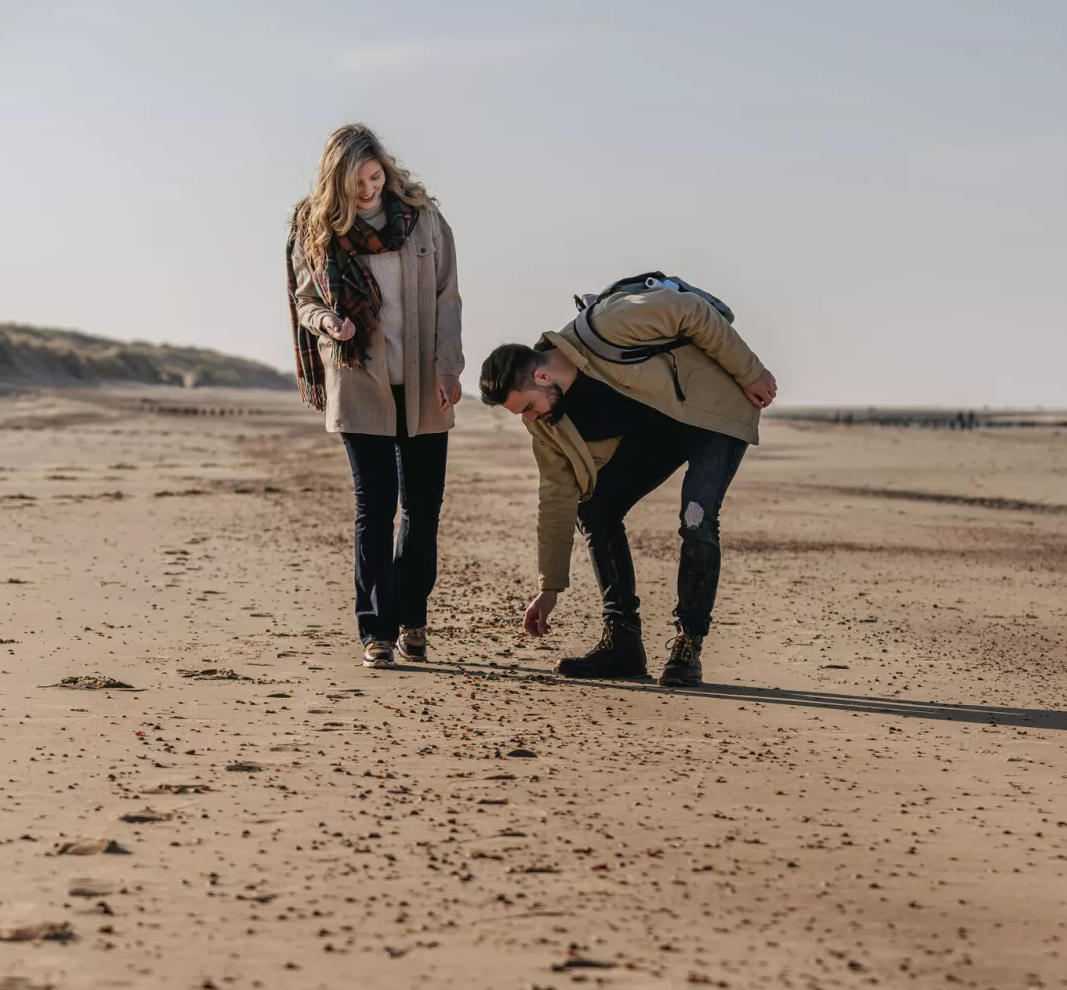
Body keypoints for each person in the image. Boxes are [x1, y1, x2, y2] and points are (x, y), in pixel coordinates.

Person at [478, 283, 777, 687]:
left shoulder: (606, 324)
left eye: (529, 406)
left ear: (542, 374)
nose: (530, 418)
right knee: (595, 506)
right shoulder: (548, 424)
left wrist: (751, 371)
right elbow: (555, 498)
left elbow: (690, 310)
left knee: (697, 516)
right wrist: (549, 587)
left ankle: (688, 641)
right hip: (661, 432)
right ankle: (623, 644)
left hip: (715, 409)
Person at [284, 124, 463, 669]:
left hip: (425, 382)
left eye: (374, 176)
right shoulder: (316, 230)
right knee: (375, 509)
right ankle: (376, 631)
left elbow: (448, 296)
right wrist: (328, 323)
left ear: (384, 168)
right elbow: (305, 297)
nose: (368, 190)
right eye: (356, 182)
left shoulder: (425, 218)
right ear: (335, 184)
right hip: (360, 379)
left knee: (423, 509)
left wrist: (448, 366)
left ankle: (413, 617)